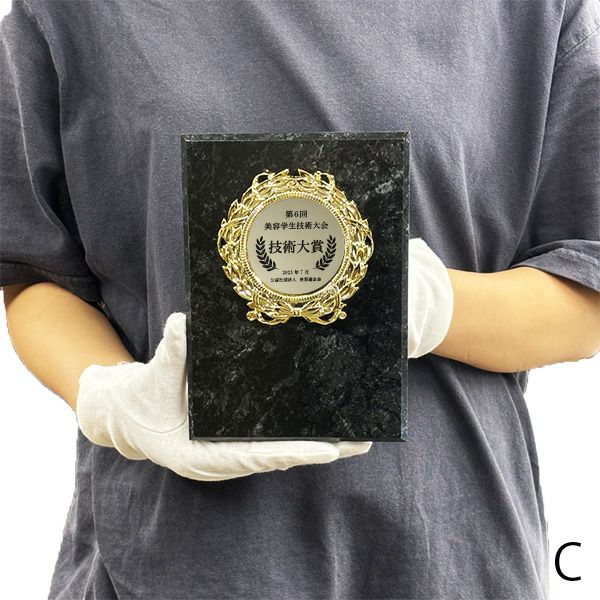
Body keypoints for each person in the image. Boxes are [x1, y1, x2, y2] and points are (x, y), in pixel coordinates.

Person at [1, 0, 599, 598]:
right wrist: (111, 398)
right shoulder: (74, 13)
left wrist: (432, 304)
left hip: (448, 553)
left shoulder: (528, 13)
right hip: (170, 561)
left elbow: (584, 286)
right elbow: (35, 271)